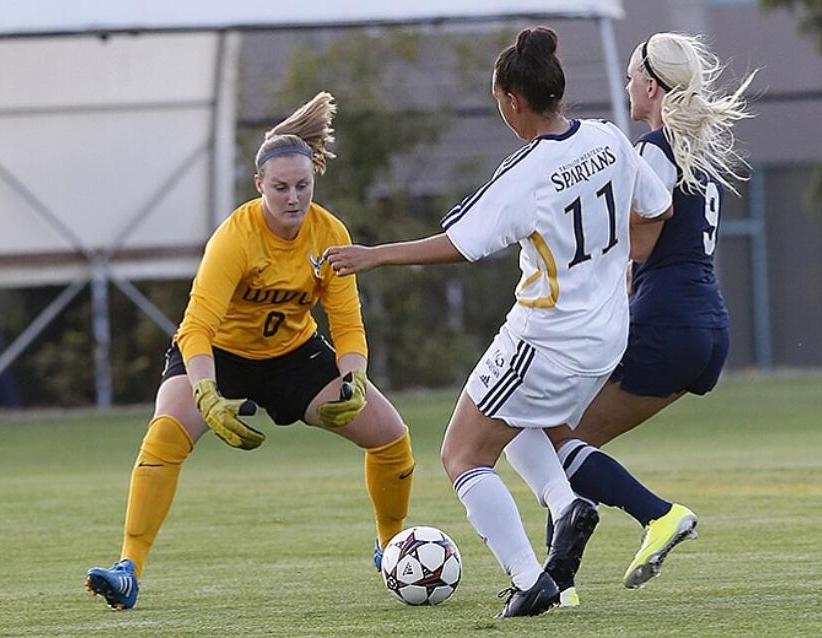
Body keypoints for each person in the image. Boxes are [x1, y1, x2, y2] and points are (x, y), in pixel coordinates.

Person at [323, 27, 673, 618]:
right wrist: (617, 273)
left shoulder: (526, 173)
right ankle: (566, 507)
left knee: (463, 454)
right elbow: (657, 207)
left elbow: (457, 243)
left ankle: (531, 577)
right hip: (607, 338)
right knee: (520, 426)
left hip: (547, 339)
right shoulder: (612, 141)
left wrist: (372, 256)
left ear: (514, 101)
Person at [84, 92, 416, 611]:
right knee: (166, 434)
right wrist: (206, 393)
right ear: (259, 185)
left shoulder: (329, 235)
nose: (293, 198)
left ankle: (391, 547)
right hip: (219, 355)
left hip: (293, 354)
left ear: (313, 182)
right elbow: (196, 327)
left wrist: (352, 378)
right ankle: (128, 568)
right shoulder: (235, 238)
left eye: (302, 186)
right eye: (280, 187)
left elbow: (348, 326)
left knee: (392, 438)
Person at [534, 32, 757, 605]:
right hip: (707, 327)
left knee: (547, 440)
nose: (629, 85)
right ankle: (557, 583)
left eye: (634, 76)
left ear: (651, 86)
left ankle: (656, 517)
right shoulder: (698, 153)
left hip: (666, 318)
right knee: (566, 442)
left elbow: (633, 247)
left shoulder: (654, 150)